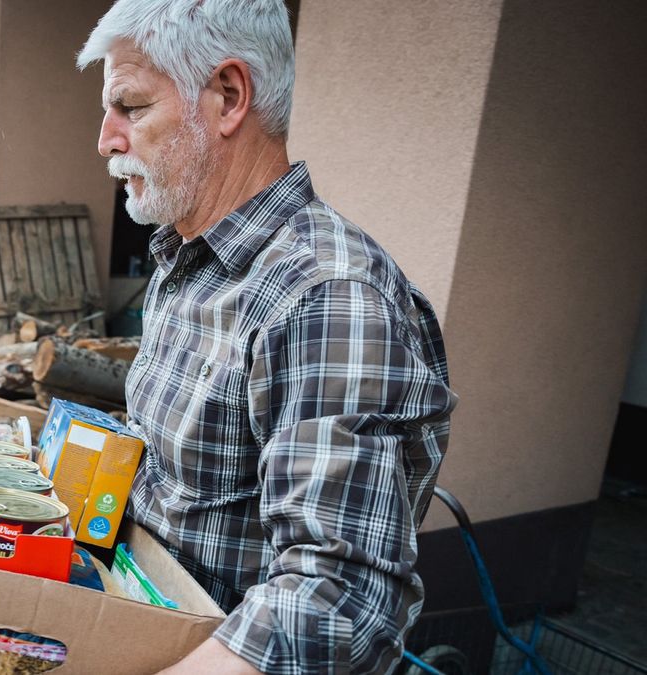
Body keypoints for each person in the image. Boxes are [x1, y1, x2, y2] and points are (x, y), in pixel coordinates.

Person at [77, 1, 458, 673]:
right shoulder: (186, 259)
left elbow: (338, 598)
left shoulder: (326, 295)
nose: (107, 139)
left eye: (131, 107)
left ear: (228, 97)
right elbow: (176, 488)